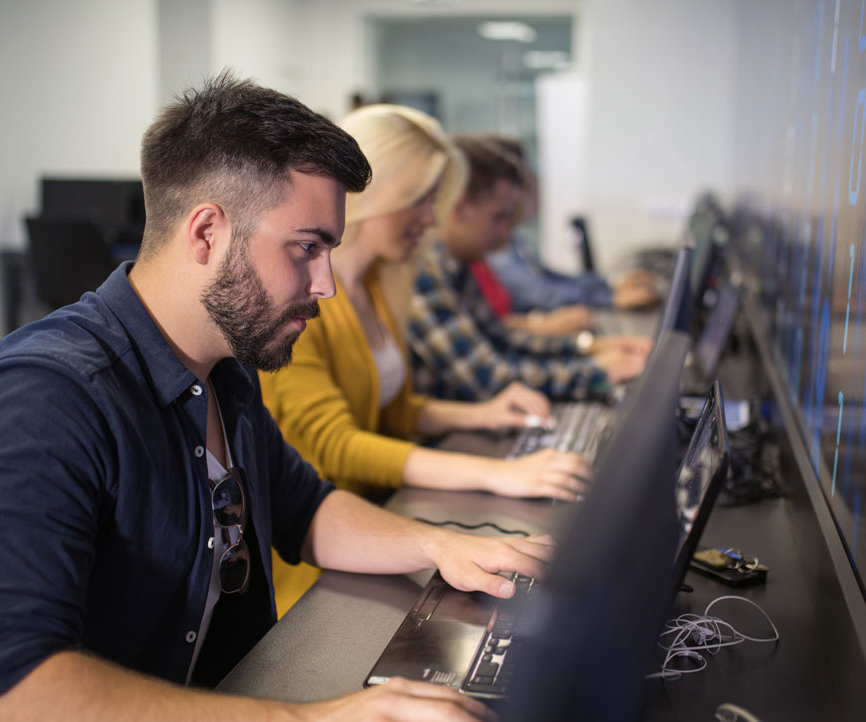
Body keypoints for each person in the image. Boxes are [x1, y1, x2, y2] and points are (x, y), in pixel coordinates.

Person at [0, 73, 553, 722]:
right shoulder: (48, 397)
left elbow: (308, 510)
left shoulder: (224, 367)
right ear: (207, 231)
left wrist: (444, 545)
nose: (325, 284)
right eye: (305, 247)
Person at [259, 104, 590, 615]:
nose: (432, 219)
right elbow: (335, 446)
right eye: (420, 199)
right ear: (371, 195)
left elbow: (389, 410)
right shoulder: (304, 303)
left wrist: (480, 414)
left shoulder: (374, 286)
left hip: (377, 525)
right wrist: (495, 473)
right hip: (324, 566)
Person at [407, 133, 651, 402]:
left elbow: (503, 338)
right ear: (461, 207)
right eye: (498, 217)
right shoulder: (424, 271)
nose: (504, 233)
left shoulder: (456, 264)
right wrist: (594, 372)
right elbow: (488, 379)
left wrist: (586, 348)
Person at [480, 136, 659, 318]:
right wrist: (611, 299)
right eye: (524, 182)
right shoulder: (495, 248)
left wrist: (611, 284)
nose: (532, 191)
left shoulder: (514, 240)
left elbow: (551, 278)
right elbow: (542, 295)